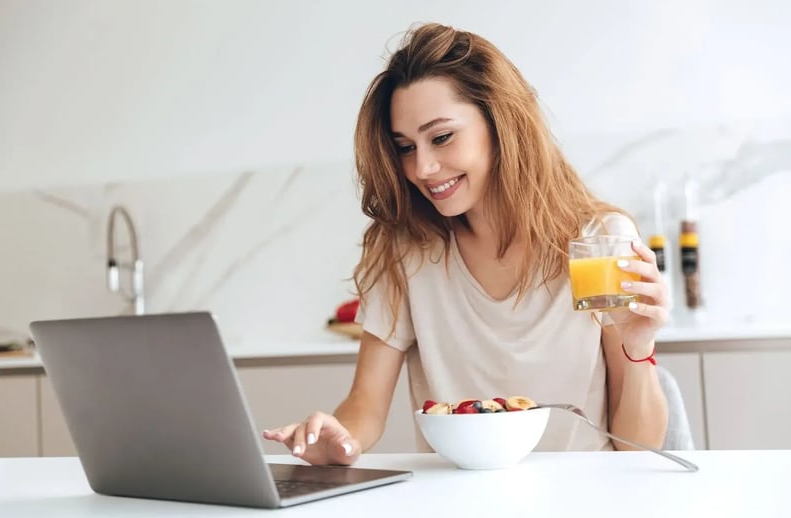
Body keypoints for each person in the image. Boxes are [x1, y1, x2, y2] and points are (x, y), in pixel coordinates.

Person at [263, 22, 669, 465]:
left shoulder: (598, 243)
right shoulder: (406, 252)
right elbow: (365, 408)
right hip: (458, 505)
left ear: (500, 122)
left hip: (583, 501)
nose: (423, 167)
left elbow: (638, 446)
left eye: (441, 137)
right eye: (405, 147)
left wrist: (638, 346)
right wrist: (339, 439)